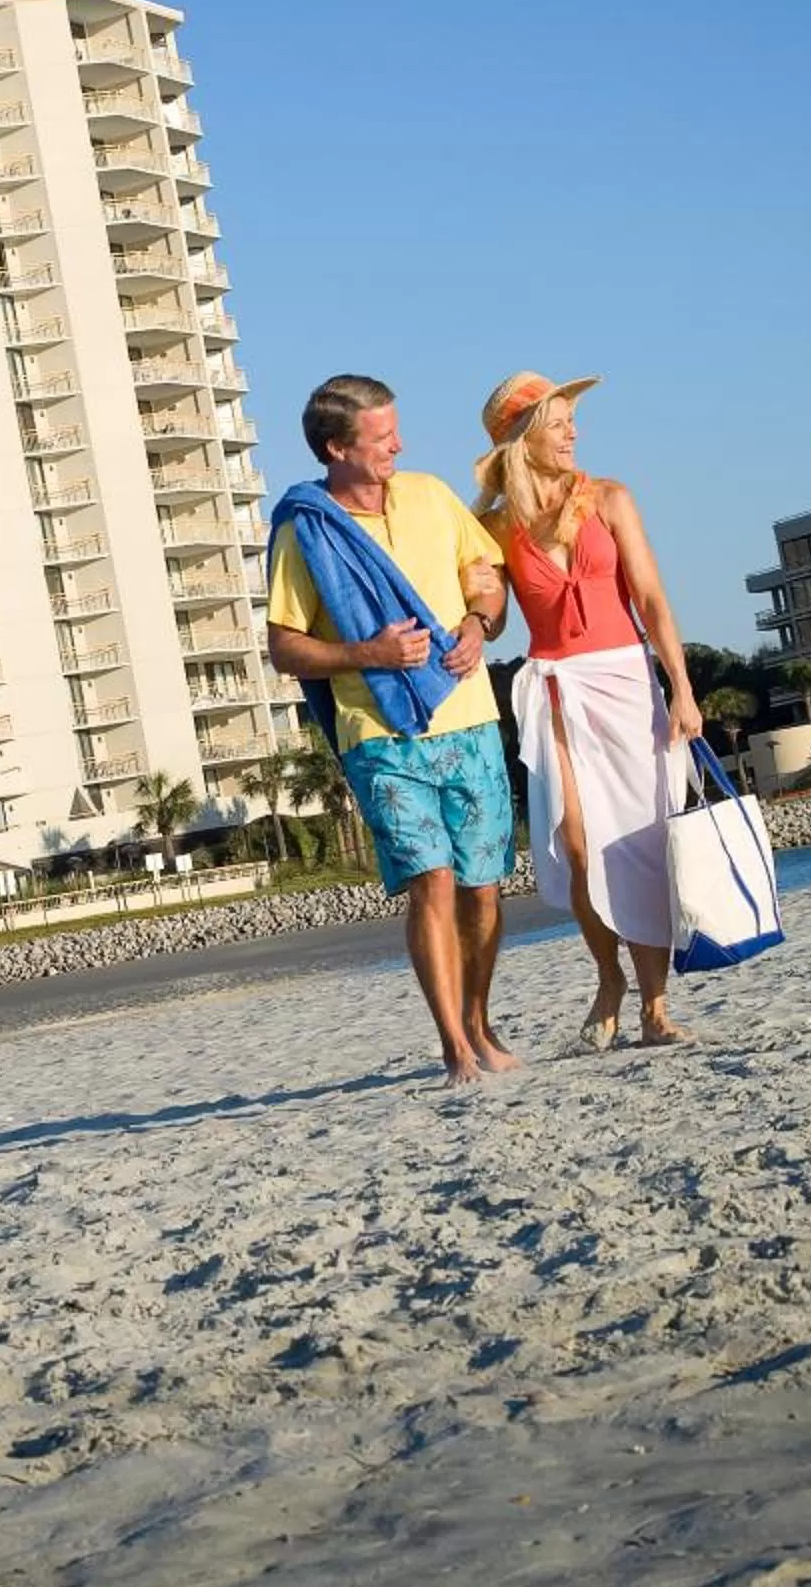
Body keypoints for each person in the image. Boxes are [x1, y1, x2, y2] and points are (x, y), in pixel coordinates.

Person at [265, 375, 517, 1085]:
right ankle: (454, 1046)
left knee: (483, 886)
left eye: (395, 432)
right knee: (430, 880)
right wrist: (367, 653)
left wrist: (476, 625)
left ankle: (480, 1018)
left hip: (466, 715)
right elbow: (284, 646)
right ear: (337, 447)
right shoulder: (305, 531)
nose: (398, 446)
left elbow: (487, 579)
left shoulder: (432, 496)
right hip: (377, 730)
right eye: (381, 438)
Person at [471, 372, 704, 1051]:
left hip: (627, 680)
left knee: (639, 842)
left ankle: (655, 1006)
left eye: (573, 420)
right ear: (523, 437)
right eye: (558, 421)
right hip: (554, 685)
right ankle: (611, 979)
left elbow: (652, 598)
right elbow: (493, 617)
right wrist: (473, 606)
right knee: (576, 846)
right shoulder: (496, 525)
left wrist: (682, 687)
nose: (574, 433)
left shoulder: (610, 498)